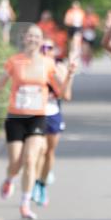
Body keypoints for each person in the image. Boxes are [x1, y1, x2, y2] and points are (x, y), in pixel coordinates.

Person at [0, 25, 76, 220]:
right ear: (24, 39)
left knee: (31, 159)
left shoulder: (49, 64)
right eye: (29, 36)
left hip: (38, 117)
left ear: (41, 41)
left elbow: (64, 93)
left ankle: (25, 203)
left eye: (36, 37)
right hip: (16, 117)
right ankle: (9, 179)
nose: (32, 39)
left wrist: (70, 74)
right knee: (16, 162)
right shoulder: (14, 61)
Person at [31, 38, 74, 206]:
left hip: (53, 112)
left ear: (53, 51)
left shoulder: (59, 68)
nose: (45, 50)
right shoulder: (31, 66)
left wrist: (67, 75)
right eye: (42, 47)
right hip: (36, 114)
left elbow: (67, 96)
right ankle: (34, 183)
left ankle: (42, 184)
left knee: (49, 151)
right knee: (39, 150)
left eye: (49, 47)